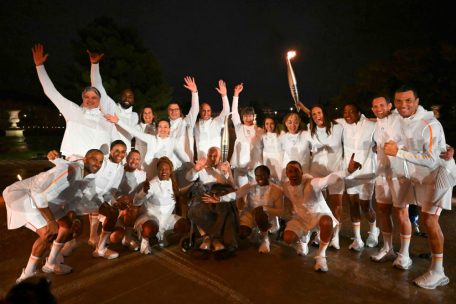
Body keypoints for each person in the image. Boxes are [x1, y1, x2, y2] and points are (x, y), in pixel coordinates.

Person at [384, 85, 452, 289]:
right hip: (420, 177)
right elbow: (378, 115)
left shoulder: (429, 123)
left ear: (417, 101)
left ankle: (439, 272)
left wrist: (398, 153)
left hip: (439, 175)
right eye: (399, 101)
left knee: (430, 221)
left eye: (408, 101)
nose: (403, 105)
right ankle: (424, 264)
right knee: (423, 219)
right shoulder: (399, 115)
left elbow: (432, 160)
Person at [3, 149, 104, 283]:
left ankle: (50, 263)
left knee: (67, 226)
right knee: (48, 233)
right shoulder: (71, 170)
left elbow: (88, 199)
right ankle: (27, 275)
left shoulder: (88, 177)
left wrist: (110, 203)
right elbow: (37, 192)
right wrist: (50, 220)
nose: (98, 164)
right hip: (23, 196)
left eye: (101, 161)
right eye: (94, 159)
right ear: (85, 159)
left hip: (48, 200)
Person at [32, 44, 118, 160]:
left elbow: (117, 146)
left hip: (98, 170)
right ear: (83, 98)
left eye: (94, 97)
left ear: (99, 100)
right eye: (87, 97)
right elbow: (51, 92)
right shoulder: (73, 111)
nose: (90, 100)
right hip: (72, 166)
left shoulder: (107, 121)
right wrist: (39, 66)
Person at [369, 95, 413, 267]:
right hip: (381, 173)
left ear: (389, 105)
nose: (378, 108)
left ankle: (405, 255)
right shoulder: (377, 122)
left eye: (381, 105)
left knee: (402, 213)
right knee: (382, 209)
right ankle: (388, 249)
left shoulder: (399, 117)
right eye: (374, 106)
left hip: (399, 173)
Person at [282, 161, 347, 272]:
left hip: (318, 216)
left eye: (296, 171)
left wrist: (348, 171)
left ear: (302, 173)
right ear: (287, 174)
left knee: (327, 222)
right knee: (288, 238)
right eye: (290, 171)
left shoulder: (312, 183)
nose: (293, 174)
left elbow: (329, 179)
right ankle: (304, 238)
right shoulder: (286, 186)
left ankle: (321, 256)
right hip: (301, 219)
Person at [203, 165, 284, 253]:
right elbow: (236, 194)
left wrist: (264, 208)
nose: (259, 178)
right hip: (250, 214)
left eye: (262, 175)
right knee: (242, 233)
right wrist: (219, 199)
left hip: (267, 217)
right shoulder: (250, 186)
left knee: (259, 212)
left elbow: (281, 211)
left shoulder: (277, 190)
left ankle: (265, 238)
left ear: (268, 175)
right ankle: (254, 232)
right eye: (257, 175)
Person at [337, 104, 379, 251]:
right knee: (353, 205)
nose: (347, 114)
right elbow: (321, 118)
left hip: (367, 170)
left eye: (351, 111)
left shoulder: (371, 124)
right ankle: (357, 238)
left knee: (365, 206)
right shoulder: (342, 123)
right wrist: (303, 108)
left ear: (359, 112)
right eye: (345, 112)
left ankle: (374, 231)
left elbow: (384, 135)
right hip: (349, 171)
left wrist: (376, 147)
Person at [133, 157, 190, 254]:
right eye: (161, 169)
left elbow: (180, 194)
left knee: (185, 225)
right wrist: (144, 192)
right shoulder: (152, 184)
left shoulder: (173, 183)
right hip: (151, 218)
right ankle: (145, 241)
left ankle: (163, 235)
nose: (163, 171)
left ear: (170, 170)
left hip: (167, 218)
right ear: (157, 170)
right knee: (149, 228)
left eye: (166, 169)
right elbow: (136, 202)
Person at [307, 104, 344, 249]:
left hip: (335, 171)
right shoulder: (310, 130)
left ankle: (335, 235)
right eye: (314, 114)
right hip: (316, 171)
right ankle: (320, 233)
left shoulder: (339, 126)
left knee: (336, 204)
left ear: (325, 113)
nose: (317, 117)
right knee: (319, 204)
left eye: (319, 113)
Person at [105, 114, 187, 179]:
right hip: (148, 172)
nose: (163, 129)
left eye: (165, 127)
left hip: (164, 174)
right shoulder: (151, 139)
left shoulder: (173, 141)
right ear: (156, 128)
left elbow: (184, 157)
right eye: (160, 127)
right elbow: (134, 132)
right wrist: (118, 121)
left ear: (169, 129)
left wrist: (194, 168)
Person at [186, 147, 236, 251]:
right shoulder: (202, 167)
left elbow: (233, 186)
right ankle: (208, 238)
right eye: (210, 156)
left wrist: (227, 173)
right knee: (195, 209)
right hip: (204, 194)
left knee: (224, 209)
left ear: (220, 158)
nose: (212, 158)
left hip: (220, 196)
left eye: (215, 156)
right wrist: (196, 169)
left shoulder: (225, 166)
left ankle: (213, 238)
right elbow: (189, 178)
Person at [89, 50, 139, 152]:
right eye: (124, 96)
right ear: (119, 97)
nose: (127, 98)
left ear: (133, 100)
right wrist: (95, 65)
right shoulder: (111, 106)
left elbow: (131, 133)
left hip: (125, 156)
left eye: (130, 97)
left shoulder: (135, 116)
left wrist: (117, 121)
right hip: (107, 151)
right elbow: (98, 88)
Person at [110, 149, 147, 251]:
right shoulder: (118, 171)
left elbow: (141, 195)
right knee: (115, 237)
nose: (134, 161)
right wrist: (119, 200)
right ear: (126, 158)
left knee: (133, 206)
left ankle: (128, 236)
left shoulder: (142, 174)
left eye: (137, 159)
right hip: (117, 205)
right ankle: (117, 231)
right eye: (132, 158)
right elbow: (110, 191)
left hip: (132, 207)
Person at [167, 77, 200, 186]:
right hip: (170, 167)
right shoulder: (165, 127)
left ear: (180, 111)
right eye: (171, 110)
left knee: (184, 196)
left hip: (185, 166)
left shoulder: (186, 123)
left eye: (176, 109)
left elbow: (194, 110)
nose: (174, 112)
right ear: (168, 112)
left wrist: (194, 92)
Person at [230, 83, 263, 188]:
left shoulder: (260, 130)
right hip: (240, 167)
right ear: (242, 117)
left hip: (255, 168)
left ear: (253, 117)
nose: (248, 118)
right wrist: (236, 94)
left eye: (250, 116)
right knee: (240, 193)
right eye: (245, 116)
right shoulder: (239, 128)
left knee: (255, 194)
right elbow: (234, 112)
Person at [194, 80, 230, 158]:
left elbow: (226, 111)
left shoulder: (216, 122)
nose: (206, 113)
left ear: (211, 112)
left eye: (208, 111)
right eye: (203, 110)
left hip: (216, 160)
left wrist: (224, 95)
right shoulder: (195, 126)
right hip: (202, 162)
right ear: (200, 111)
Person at [279, 112, 311, 180]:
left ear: (299, 123)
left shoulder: (306, 135)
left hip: (304, 173)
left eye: (296, 122)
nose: (293, 125)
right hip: (288, 174)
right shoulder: (282, 138)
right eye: (290, 122)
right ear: (286, 123)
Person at [258, 116, 283, 183]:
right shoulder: (262, 135)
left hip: (279, 162)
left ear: (275, 124)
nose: (269, 126)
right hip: (268, 162)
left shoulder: (281, 134)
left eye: (272, 123)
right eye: (267, 123)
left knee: (280, 182)